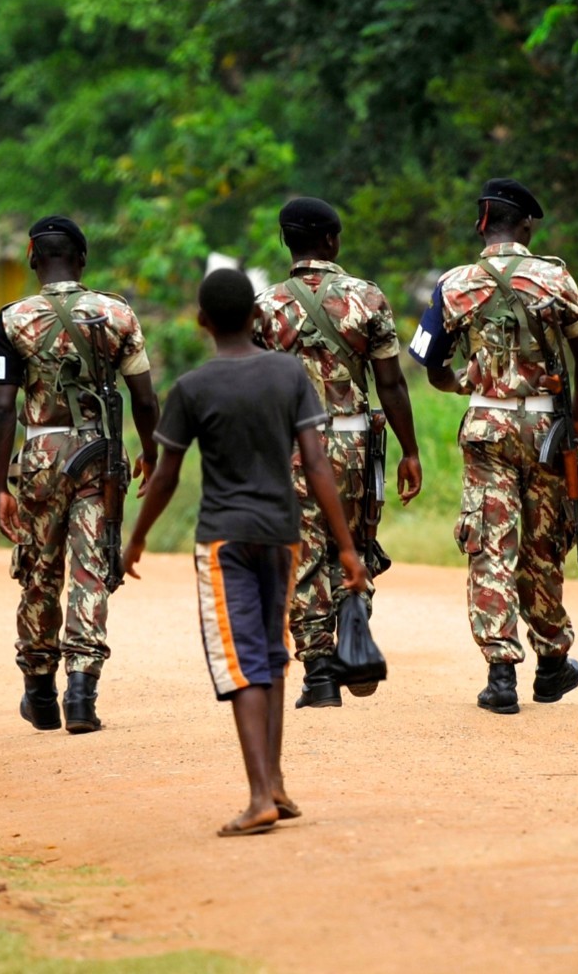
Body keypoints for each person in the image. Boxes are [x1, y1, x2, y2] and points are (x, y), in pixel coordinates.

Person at [123, 268, 368, 837]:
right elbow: (315, 463)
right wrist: (347, 545)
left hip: (224, 539)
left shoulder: (192, 388)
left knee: (242, 663)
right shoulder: (288, 374)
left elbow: (164, 477)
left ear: (201, 321)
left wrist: (136, 537)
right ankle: (275, 783)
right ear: (258, 318)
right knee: (273, 654)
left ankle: (260, 795)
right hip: (282, 536)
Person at [408, 178, 578, 715]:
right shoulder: (555, 278)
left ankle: (500, 676)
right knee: (543, 543)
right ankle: (553, 661)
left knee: (492, 542)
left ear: (481, 223)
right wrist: (577, 417)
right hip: (545, 431)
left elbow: (428, 362)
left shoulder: (454, 284)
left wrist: (464, 383)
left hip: (487, 427)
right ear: (527, 226)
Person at [0, 215, 160, 735]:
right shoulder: (116, 313)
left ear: (33, 259)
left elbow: (1, 407)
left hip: (40, 457)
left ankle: (40, 692)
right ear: (82, 260)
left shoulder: (12, 319)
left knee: (39, 570)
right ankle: (81, 695)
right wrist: (150, 451)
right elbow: (145, 397)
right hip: (99, 456)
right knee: (91, 569)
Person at [253, 196, 423, 708]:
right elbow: (391, 383)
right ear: (332, 240)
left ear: (286, 241)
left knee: (303, 553)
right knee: (355, 542)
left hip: (291, 446)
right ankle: (354, 625)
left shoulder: (264, 307)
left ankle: (321, 674)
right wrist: (410, 451)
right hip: (354, 441)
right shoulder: (367, 299)